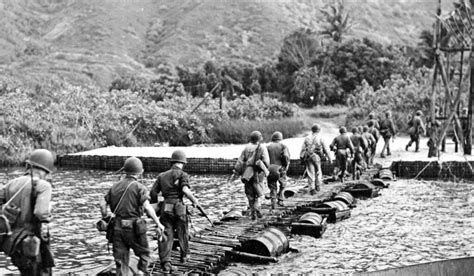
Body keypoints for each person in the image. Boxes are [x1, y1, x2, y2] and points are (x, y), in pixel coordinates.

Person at [100, 156, 165, 275]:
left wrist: (105, 217)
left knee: (121, 260)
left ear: (125, 171)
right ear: (140, 172)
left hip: (117, 227)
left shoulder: (114, 186)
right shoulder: (139, 187)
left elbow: (102, 204)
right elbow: (147, 207)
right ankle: (140, 272)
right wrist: (158, 223)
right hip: (135, 228)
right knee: (145, 255)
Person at [0, 149, 55, 276]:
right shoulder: (44, 185)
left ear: (28, 166)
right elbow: (40, 213)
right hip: (31, 245)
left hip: (12, 244)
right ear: (45, 171)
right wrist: (48, 213)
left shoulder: (11, 184)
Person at [150, 150, 200, 273]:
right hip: (179, 208)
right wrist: (195, 201)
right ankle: (184, 256)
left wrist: (155, 205)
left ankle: (166, 264)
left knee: (166, 234)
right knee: (183, 231)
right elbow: (185, 190)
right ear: (183, 163)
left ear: (172, 162)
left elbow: (153, 192)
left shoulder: (161, 176)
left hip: (165, 208)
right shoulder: (183, 174)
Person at [234, 131, 270, 220]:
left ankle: (252, 213)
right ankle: (257, 208)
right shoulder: (262, 148)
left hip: (247, 173)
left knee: (250, 194)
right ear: (260, 138)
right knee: (258, 192)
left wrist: (237, 172)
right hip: (258, 174)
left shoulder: (246, 148)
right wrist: (265, 170)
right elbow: (266, 162)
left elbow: (239, 162)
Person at [300, 124, 332, 195]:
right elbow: (326, 149)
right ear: (319, 130)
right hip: (317, 157)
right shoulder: (321, 138)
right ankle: (318, 186)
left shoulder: (307, 138)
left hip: (308, 157)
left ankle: (312, 189)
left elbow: (302, 149)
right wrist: (330, 159)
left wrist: (301, 157)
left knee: (310, 172)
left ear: (312, 130)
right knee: (318, 171)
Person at [266, 131, 290, 209]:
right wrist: (285, 166)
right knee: (283, 184)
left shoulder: (268, 147)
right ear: (281, 138)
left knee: (272, 186)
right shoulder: (283, 146)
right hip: (280, 168)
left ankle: (273, 202)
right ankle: (280, 199)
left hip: (270, 169)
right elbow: (286, 157)